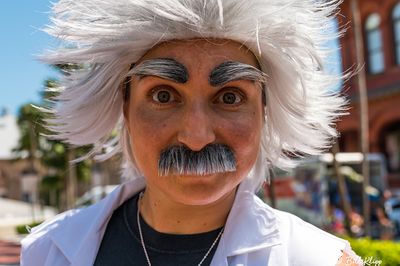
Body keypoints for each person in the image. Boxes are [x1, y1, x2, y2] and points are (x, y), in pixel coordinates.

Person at [21, 0, 363, 265]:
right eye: (163, 95)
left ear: (263, 111)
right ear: (125, 106)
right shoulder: (47, 251)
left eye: (230, 97)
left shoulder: (322, 259)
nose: (197, 136)